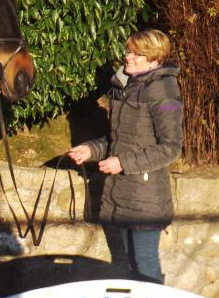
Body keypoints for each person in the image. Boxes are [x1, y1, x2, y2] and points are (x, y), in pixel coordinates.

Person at [68, 29, 183, 282]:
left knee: (145, 263)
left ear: (154, 60)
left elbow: (171, 147)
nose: (128, 57)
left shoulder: (164, 92)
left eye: (137, 53)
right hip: (119, 193)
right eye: (129, 50)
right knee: (123, 262)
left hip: (145, 198)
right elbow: (116, 140)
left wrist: (123, 162)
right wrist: (90, 150)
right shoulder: (125, 87)